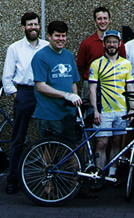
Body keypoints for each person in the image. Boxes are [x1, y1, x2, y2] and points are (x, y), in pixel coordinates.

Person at [2, 12, 49, 194]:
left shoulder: (46, 46)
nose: (33, 27)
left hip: (44, 93)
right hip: (24, 92)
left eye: (36, 24)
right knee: (18, 138)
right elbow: (7, 78)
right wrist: (17, 96)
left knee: (47, 134)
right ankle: (13, 179)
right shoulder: (15, 48)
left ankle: (47, 178)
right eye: (29, 25)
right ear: (23, 27)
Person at [89, 30, 134, 177]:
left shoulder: (126, 64)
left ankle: (112, 174)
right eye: (108, 42)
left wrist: (132, 109)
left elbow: (130, 87)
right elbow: (92, 88)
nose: (111, 44)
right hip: (104, 111)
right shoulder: (96, 64)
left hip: (121, 111)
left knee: (116, 143)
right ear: (104, 44)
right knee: (101, 144)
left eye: (114, 42)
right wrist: (95, 110)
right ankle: (99, 174)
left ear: (119, 44)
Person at [32, 20, 82, 148]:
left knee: (74, 148)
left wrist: (74, 101)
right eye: (57, 36)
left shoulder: (69, 55)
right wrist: (66, 95)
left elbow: (73, 82)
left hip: (68, 113)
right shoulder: (40, 57)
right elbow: (40, 86)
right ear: (49, 36)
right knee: (50, 151)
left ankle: (74, 170)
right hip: (49, 114)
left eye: (63, 36)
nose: (61, 39)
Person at [77, 6, 126, 101]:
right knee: (91, 114)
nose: (102, 21)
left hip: (113, 84)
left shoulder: (119, 44)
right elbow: (81, 66)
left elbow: (123, 62)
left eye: (105, 18)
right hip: (91, 84)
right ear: (95, 21)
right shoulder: (87, 43)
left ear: (110, 20)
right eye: (99, 19)